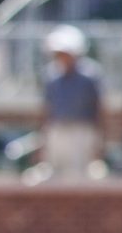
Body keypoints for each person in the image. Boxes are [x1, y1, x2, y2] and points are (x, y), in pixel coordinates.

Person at [40, 24, 105, 178]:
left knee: (78, 177)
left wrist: (100, 141)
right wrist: (42, 139)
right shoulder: (51, 75)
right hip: (57, 130)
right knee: (54, 175)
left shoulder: (90, 75)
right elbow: (47, 108)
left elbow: (99, 108)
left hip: (81, 131)